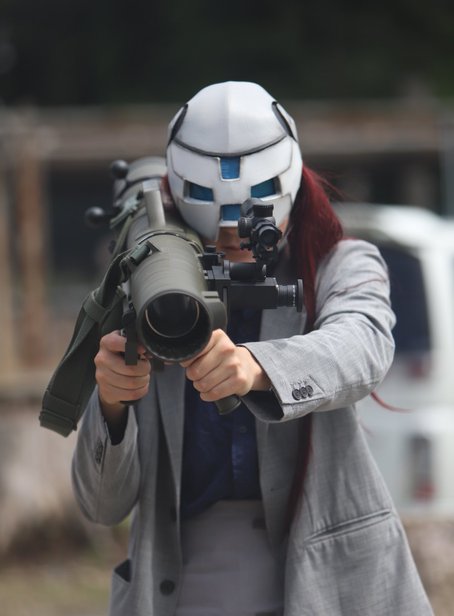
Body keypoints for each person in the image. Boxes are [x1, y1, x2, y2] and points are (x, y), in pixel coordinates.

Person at [71, 81, 433, 616]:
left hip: (332, 587)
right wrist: (112, 405)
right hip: (179, 592)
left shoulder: (340, 263)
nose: (231, 234)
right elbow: (102, 506)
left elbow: (363, 344)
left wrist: (258, 366)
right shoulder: (145, 287)